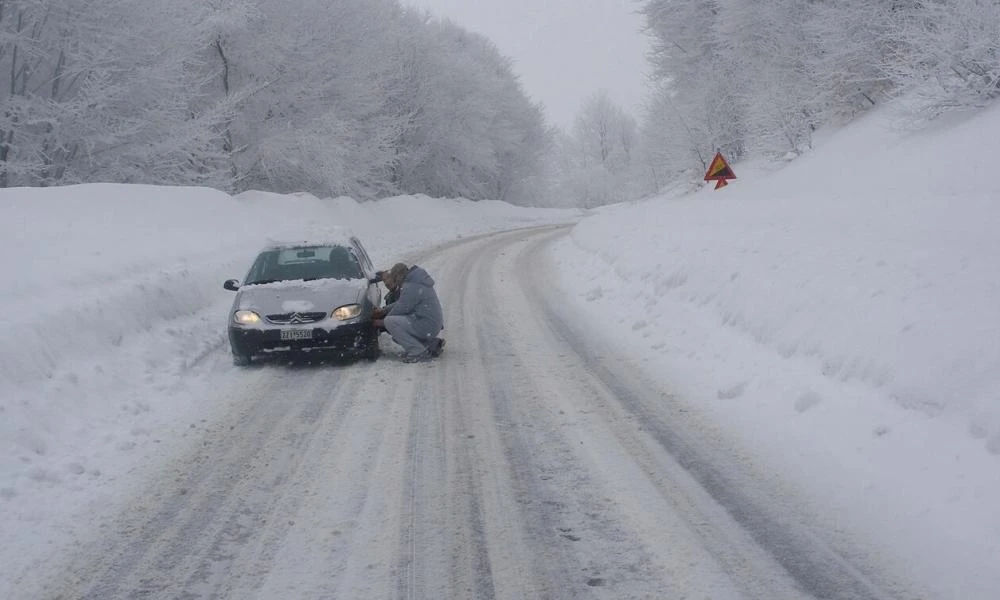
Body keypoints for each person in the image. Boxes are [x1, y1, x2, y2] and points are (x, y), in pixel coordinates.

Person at [372, 263, 445, 362]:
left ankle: (417, 352)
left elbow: (402, 308)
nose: (396, 283)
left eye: (395, 279)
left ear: (399, 275)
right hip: (431, 323)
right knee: (397, 331)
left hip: (426, 324)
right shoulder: (416, 281)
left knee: (391, 322)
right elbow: (402, 302)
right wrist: (384, 310)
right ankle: (430, 345)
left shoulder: (411, 285)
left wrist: (382, 322)